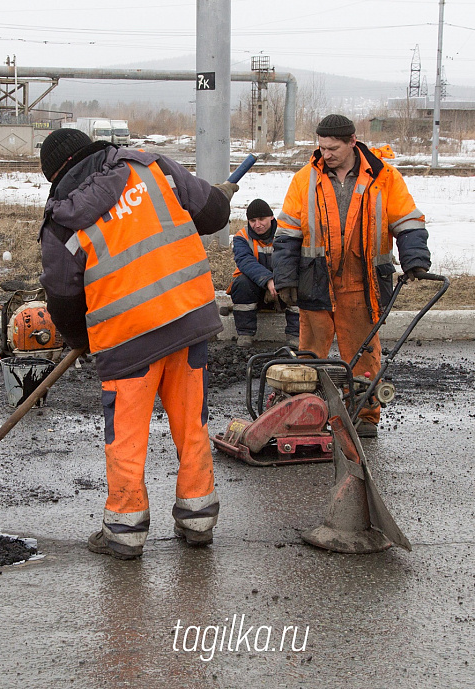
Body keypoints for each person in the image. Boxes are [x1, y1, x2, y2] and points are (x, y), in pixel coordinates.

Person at [38, 128, 236, 558]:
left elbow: (64, 300)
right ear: (94, 150)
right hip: (188, 322)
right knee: (191, 424)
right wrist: (220, 196)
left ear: (56, 176)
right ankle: (198, 520)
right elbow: (214, 214)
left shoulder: (61, 224)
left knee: (126, 438)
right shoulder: (151, 167)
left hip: (127, 344)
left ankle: (124, 534)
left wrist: (84, 342)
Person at [272, 114, 430, 438]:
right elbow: (287, 233)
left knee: (363, 353)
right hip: (315, 279)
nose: (324, 154)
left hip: (362, 282)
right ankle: (304, 412)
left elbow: (408, 221)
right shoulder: (305, 179)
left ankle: (366, 416)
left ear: (352, 143)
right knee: (310, 353)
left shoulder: (384, 178)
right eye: (321, 148)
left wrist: (415, 259)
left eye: (332, 148)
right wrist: (285, 278)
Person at [227, 198, 300, 348]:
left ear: (271, 217)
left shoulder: (285, 233)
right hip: (256, 290)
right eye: (252, 220)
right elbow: (245, 262)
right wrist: (267, 280)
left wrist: (280, 282)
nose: (257, 224)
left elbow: (293, 260)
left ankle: (295, 335)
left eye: (261, 219)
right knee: (241, 283)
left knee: (299, 282)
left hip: (283, 287)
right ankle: (245, 334)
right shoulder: (242, 237)